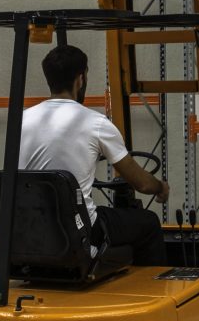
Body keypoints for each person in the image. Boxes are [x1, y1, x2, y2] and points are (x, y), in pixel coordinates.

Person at [19, 44, 169, 266]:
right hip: (80, 230)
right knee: (148, 223)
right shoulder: (95, 123)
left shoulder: (22, 120)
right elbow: (142, 184)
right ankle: (153, 294)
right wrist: (160, 188)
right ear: (81, 79)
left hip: (31, 227)